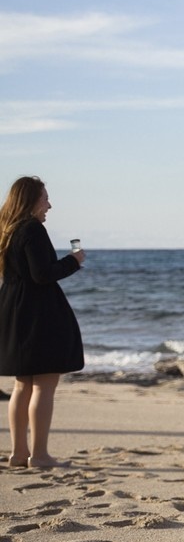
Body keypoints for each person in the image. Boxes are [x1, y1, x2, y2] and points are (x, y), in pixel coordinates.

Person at [0, 176, 86, 468]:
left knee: (22, 385)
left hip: (13, 309)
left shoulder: (8, 228)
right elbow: (42, 274)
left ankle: (19, 453)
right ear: (31, 200)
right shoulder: (32, 228)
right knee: (44, 385)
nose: (49, 205)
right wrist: (73, 261)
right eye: (44, 198)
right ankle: (39, 455)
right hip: (37, 313)